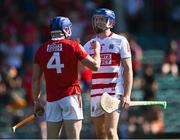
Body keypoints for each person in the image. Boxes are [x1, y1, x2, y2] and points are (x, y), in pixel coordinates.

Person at [32, 16, 101, 139]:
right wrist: (97, 51)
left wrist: (36, 101)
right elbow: (95, 66)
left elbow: (35, 79)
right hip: (71, 96)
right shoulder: (74, 45)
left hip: (52, 100)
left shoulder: (41, 49)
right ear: (66, 29)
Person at [84, 8, 133, 139]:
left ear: (111, 22)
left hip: (113, 91)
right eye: (96, 19)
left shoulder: (120, 41)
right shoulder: (88, 45)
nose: (98, 22)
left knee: (111, 131)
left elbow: (128, 69)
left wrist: (126, 95)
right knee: (100, 133)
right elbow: (82, 70)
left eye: (102, 19)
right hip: (95, 93)